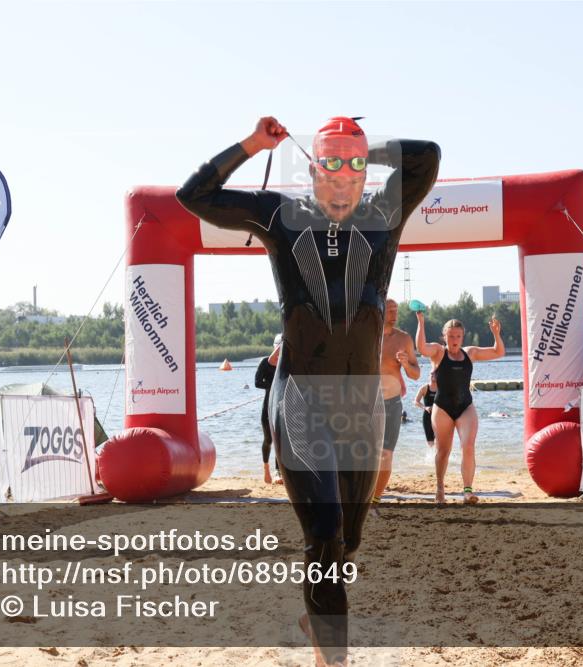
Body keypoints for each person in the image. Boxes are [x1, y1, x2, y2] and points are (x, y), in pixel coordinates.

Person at [176, 115, 439, 666]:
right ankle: (332, 658)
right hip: (299, 397)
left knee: (346, 542)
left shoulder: (382, 217)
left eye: (355, 167)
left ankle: (319, 615)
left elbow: (425, 156)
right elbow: (193, 194)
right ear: (314, 170)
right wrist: (253, 144)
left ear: (366, 173)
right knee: (324, 533)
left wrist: (363, 146)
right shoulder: (281, 215)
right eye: (331, 166)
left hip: (361, 405)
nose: (343, 179)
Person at [415, 312, 504, 505]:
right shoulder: (439, 352)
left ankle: (467, 491)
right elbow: (421, 347)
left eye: (458, 336)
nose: (454, 340)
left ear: (462, 337)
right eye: (451, 336)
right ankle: (440, 489)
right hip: (442, 408)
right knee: (443, 451)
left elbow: (498, 352)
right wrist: (421, 323)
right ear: (444, 336)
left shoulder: (469, 353)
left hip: (465, 406)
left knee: (468, 446)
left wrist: (496, 333)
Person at [372, 299, 420, 506]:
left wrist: (405, 363)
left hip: (391, 403)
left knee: (386, 454)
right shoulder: (368, 337)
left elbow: (416, 374)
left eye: (396, 310)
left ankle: (375, 499)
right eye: (390, 310)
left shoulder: (404, 339)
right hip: (366, 405)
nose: (394, 314)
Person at [254, 335, 283, 484]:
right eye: (279, 347)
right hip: (268, 406)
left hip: (282, 406)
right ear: (275, 347)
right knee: (269, 439)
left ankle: (278, 472)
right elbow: (257, 382)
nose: (280, 351)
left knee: (281, 440)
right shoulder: (265, 363)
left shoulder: (287, 364)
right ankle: (266, 468)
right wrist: (273, 386)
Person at [414, 372, 438, 448]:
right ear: (429, 376)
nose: (432, 376)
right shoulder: (424, 388)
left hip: (439, 417)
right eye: (431, 374)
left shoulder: (442, 388)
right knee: (430, 441)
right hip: (427, 416)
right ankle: (431, 458)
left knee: (439, 440)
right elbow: (416, 401)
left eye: (435, 374)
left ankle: (440, 457)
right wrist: (425, 407)